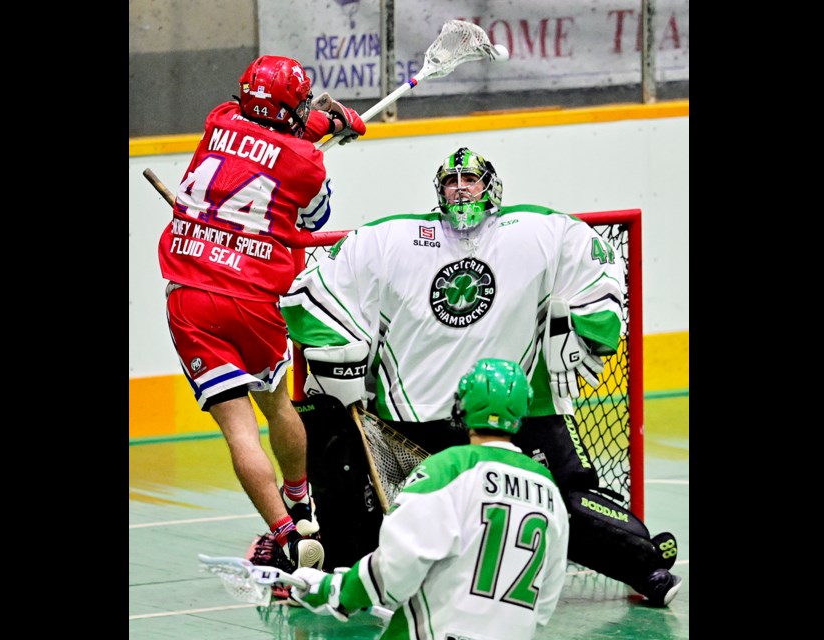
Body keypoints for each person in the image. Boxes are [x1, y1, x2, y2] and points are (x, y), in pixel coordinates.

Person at [280, 147, 681, 606]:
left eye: (470, 179)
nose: (460, 188)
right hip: (410, 423)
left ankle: (645, 563)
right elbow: (311, 288)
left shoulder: (533, 231)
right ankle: (332, 567)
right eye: (451, 182)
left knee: (565, 506)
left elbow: (597, 256)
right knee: (346, 458)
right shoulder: (393, 238)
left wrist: (591, 326)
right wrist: (343, 362)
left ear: (491, 187)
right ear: (438, 192)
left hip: (509, 413)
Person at [156, 54, 366, 574]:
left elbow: (259, 125)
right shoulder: (306, 162)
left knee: (238, 431)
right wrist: (328, 127)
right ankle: (302, 505)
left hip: (192, 295)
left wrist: (319, 123)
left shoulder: (218, 120)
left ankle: (289, 537)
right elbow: (315, 215)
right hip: (253, 301)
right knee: (276, 406)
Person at [288, 358, 569, 638]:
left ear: (462, 404)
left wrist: (329, 589)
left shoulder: (446, 470)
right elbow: (544, 603)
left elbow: (394, 569)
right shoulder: (548, 488)